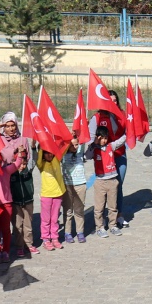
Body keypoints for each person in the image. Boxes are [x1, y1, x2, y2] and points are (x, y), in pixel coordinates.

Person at [96, 89, 129, 228]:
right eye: (110, 100)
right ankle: (103, 217)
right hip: (104, 157)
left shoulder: (122, 115)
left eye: (115, 100)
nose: (113, 102)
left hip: (120, 154)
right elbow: (93, 135)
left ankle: (118, 215)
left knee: (118, 184)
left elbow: (129, 130)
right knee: (104, 187)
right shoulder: (98, 117)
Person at [90, 128, 123, 238]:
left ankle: (113, 225)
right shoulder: (94, 149)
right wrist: (94, 143)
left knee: (113, 206)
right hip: (100, 182)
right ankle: (99, 227)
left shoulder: (111, 146)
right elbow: (86, 155)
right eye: (102, 138)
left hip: (112, 181)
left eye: (105, 138)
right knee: (99, 208)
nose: (104, 140)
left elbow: (122, 140)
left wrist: (130, 130)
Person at [35, 145, 66, 251]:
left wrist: (70, 139)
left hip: (58, 194)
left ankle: (55, 238)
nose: (49, 155)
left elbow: (64, 149)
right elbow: (38, 157)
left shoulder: (57, 160)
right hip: (46, 195)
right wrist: (40, 145)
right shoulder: (41, 164)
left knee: (54, 218)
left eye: (51, 152)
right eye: (46, 153)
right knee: (46, 219)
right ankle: (46, 239)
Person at [7, 143, 34, 259]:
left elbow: (33, 159)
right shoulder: (11, 172)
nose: (22, 166)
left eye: (24, 164)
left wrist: (32, 146)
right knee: (18, 225)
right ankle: (19, 246)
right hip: (16, 203)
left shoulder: (28, 170)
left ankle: (29, 244)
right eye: (20, 164)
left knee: (28, 225)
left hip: (28, 201)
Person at [61, 139, 88, 243]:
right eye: (72, 145)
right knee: (68, 210)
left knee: (79, 210)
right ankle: (67, 233)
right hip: (67, 185)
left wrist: (82, 124)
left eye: (77, 145)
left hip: (80, 184)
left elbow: (83, 139)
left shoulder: (80, 153)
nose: (75, 147)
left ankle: (80, 232)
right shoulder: (63, 155)